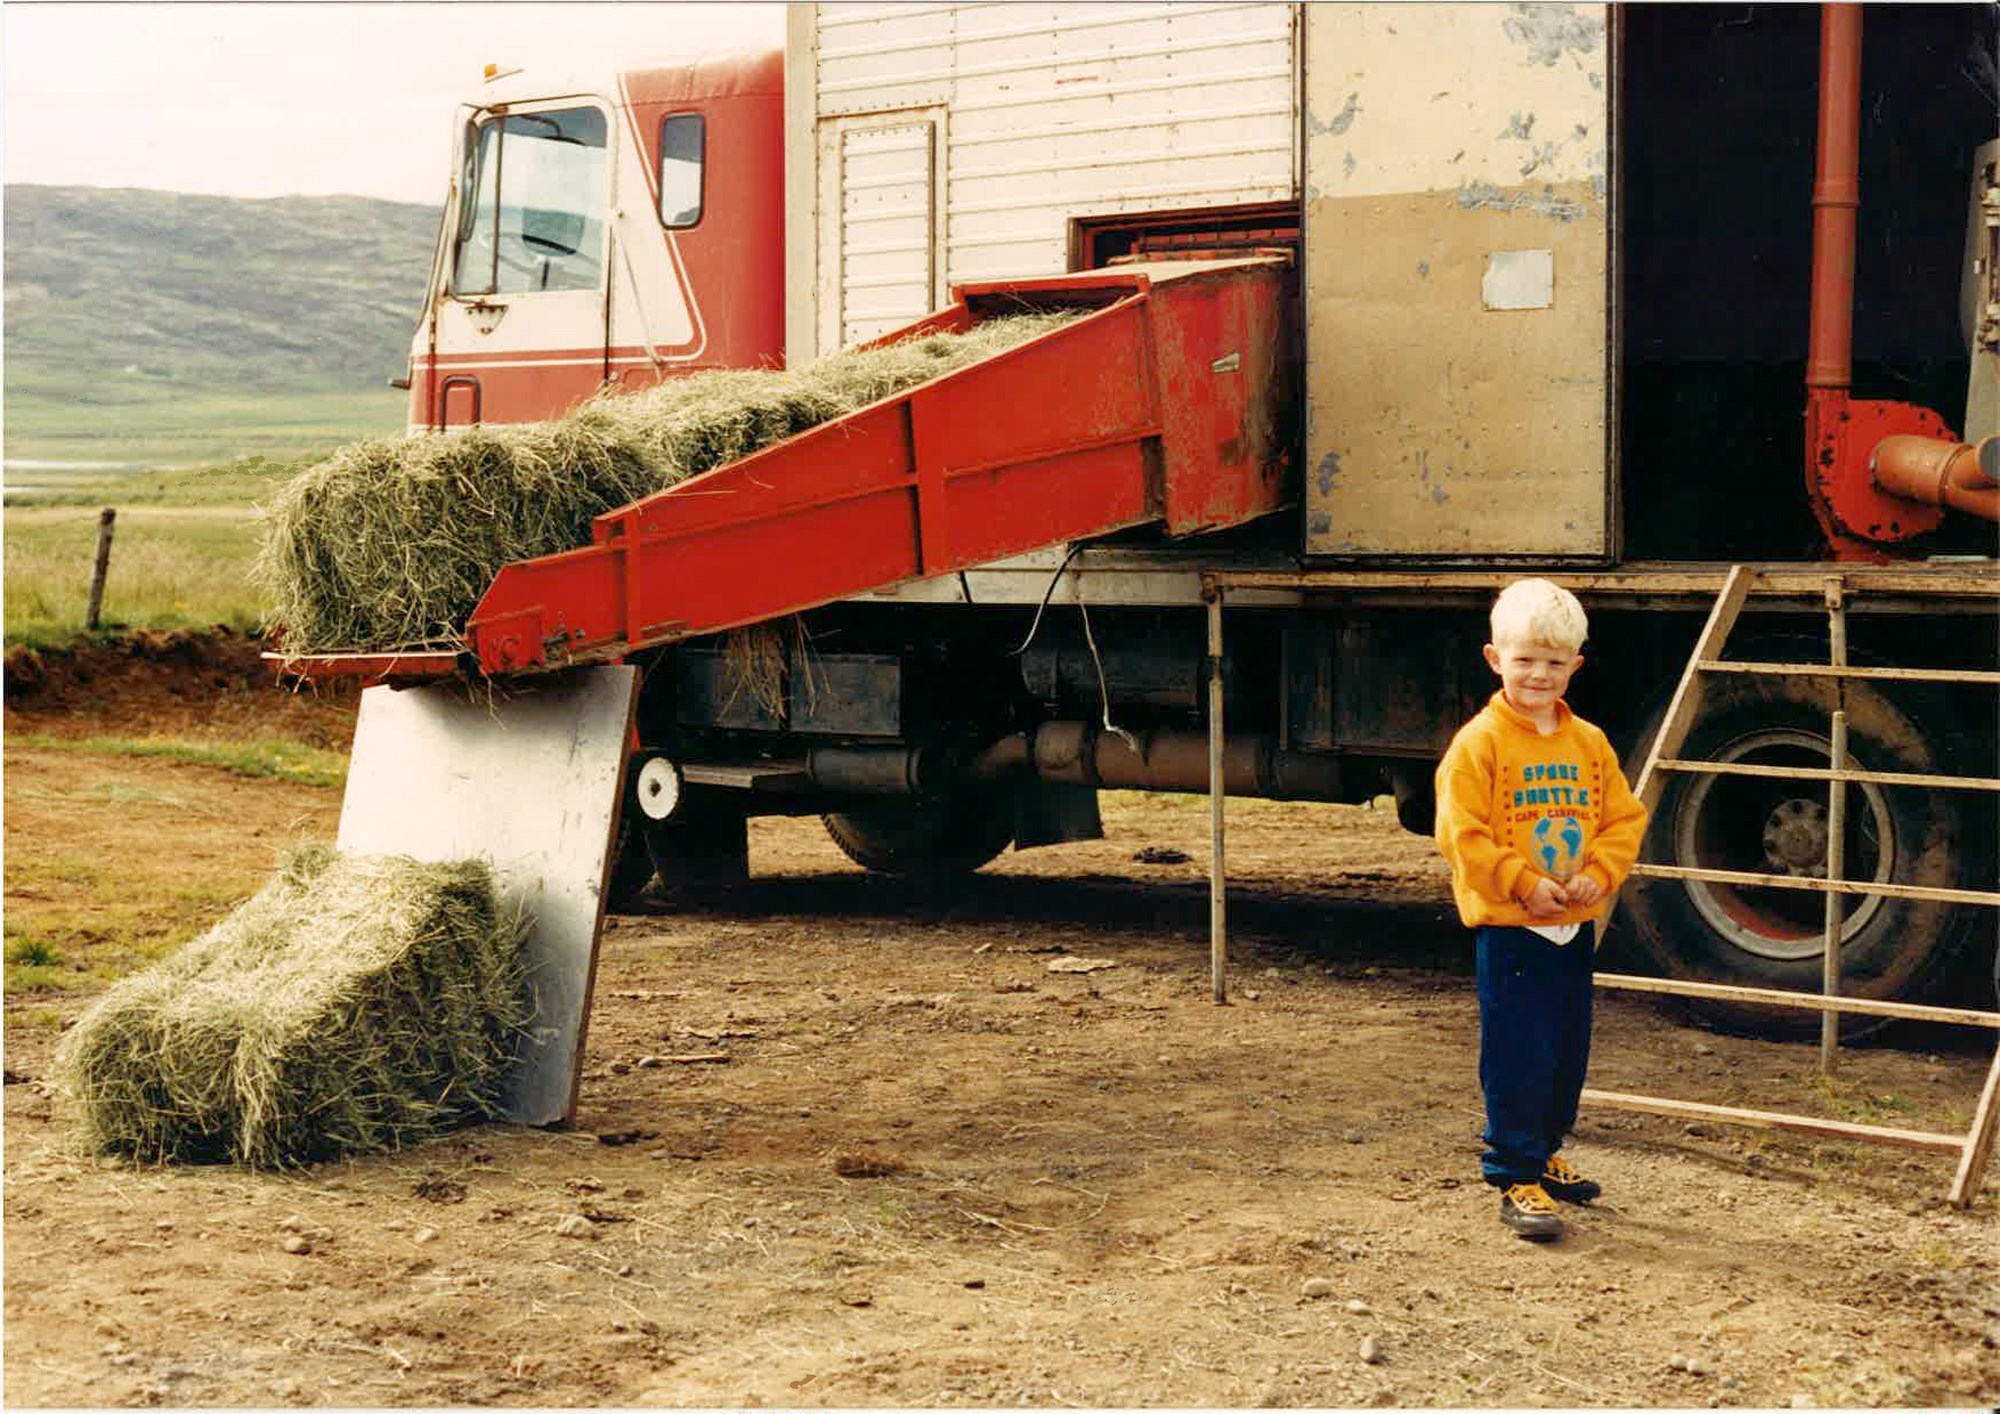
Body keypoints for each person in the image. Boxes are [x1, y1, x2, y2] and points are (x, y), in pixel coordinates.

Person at [1434, 578, 1648, 1241]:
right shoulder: (1480, 745)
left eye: (1554, 662)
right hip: (1511, 928)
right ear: (1495, 659)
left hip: (1570, 928)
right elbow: (1461, 833)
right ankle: (1514, 1173)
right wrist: (1520, 881)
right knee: (1517, 1052)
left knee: (1566, 1050)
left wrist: (1598, 874)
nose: (1538, 674)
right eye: (1524, 659)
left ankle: (1546, 1148)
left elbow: (1622, 819)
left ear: (1575, 666)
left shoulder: (1588, 743)